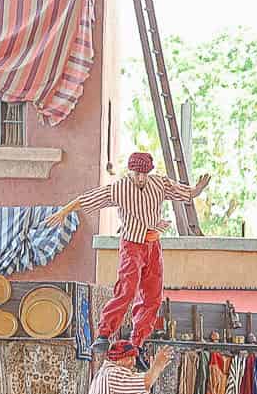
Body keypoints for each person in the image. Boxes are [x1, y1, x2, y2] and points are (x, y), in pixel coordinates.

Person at [44, 153, 210, 357]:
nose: (141, 178)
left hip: (153, 245)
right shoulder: (120, 188)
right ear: (130, 172)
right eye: (137, 174)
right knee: (127, 290)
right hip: (132, 245)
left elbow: (184, 193)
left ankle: (137, 343)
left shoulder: (158, 183)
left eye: (144, 174)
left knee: (153, 297)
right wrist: (63, 212)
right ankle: (104, 333)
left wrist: (197, 190)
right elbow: (87, 199)